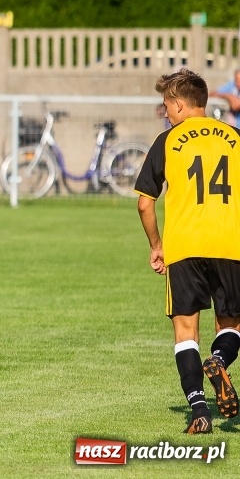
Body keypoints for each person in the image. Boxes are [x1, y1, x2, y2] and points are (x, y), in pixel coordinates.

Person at [135, 68, 240, 435]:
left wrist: (156, 246)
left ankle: (198, 410)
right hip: (230, 244)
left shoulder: (167, 141)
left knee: (185, 331)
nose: (166, 112)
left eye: (167, 105)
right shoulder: (235, 136)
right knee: (231, 324)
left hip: (184, 246)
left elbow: (145, 204)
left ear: (180, 104)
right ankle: (220, 359)